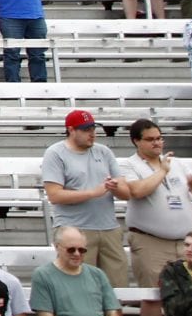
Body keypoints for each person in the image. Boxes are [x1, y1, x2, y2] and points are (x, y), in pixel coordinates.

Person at [44, 110, 133, 286]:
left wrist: (115, 188)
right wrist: (93, 192)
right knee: (79, 286)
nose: (92, 133)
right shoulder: (55, 153)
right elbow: (54, 195)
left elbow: (126, 192)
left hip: (109, 227)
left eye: (93, 128)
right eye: (85, 129)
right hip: (75, 230)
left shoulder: (104, 152)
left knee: (118, 286)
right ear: (71, 130)